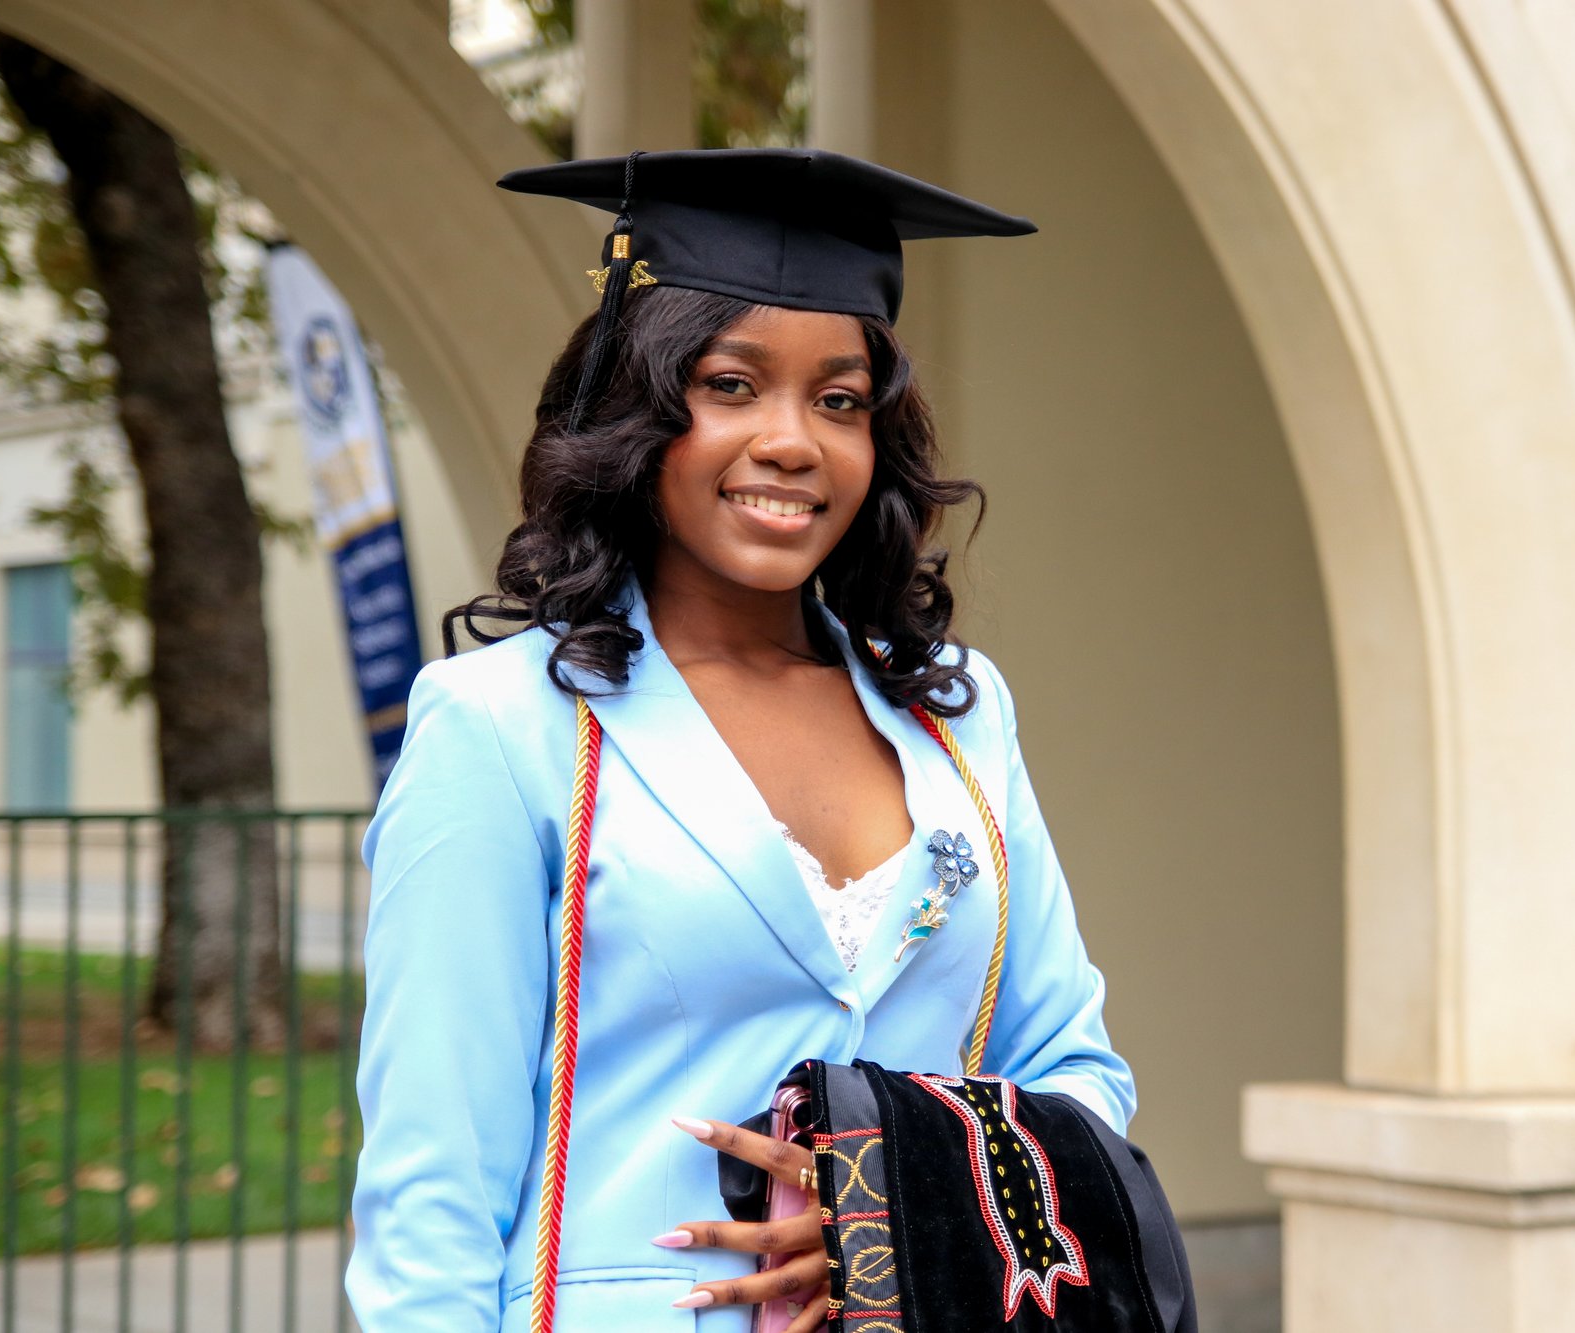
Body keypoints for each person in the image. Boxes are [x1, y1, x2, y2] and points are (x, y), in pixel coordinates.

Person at [344, 148, 1136, 1332]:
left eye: (838, 398)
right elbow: (431, 1190)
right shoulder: (503, 727)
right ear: (638, 411)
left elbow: (1076, 1070)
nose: (793, 440)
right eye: (730, 385)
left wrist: (901, 1212)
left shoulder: (957, 716)